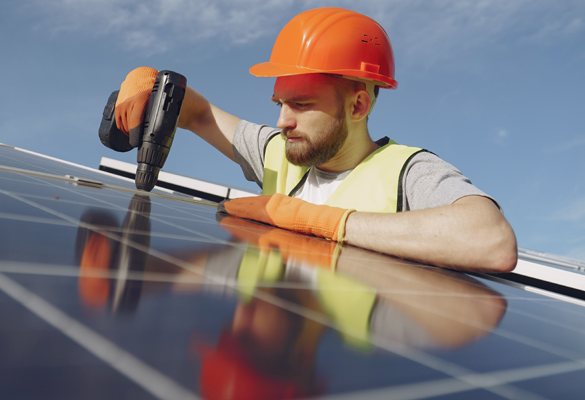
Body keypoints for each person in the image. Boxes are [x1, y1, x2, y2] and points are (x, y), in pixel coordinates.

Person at [112, 7, 517, 272]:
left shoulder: (407, 171)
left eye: (302, 104)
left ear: (358, 106)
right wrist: (153, 84)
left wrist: (317, 222)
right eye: (279, 102)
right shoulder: (281, 152)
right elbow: (197, 113)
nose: (282, 121)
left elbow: (491, 240)